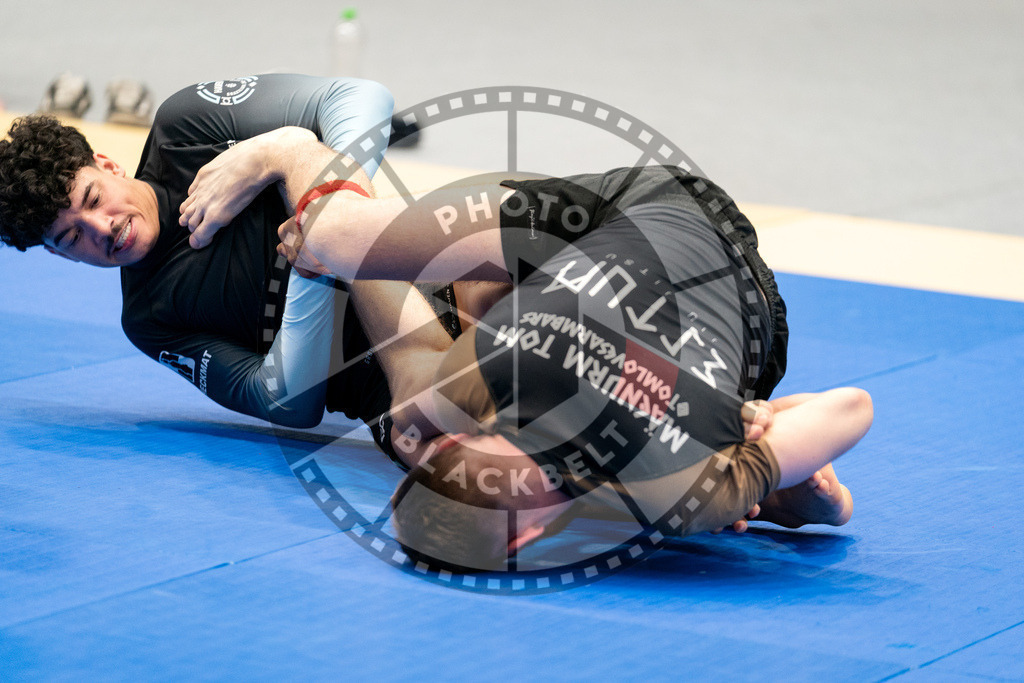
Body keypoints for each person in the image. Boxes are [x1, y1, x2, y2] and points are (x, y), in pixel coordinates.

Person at [275, 164, 870, 571]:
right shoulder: (482, 377)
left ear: (527, 539)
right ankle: (292, 152)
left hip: (678, 251)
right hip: (671, 224)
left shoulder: (670, 492)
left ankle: (289, 149)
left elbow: (850, 407)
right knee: (339, 247)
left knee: (338, 242)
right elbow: (420, 409)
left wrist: (766, 439)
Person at [0, 73, 481, 464]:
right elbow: (286, 403)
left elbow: (362, 98)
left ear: (108, 164)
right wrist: (313, 261)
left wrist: (282, 155)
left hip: (436, 272)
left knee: (511, 263)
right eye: (72, 237)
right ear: (60, 257)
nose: (101, 228)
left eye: (93, 198)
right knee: (462, 472)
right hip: (383, 387)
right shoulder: (149, 319)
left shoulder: (185, 130)